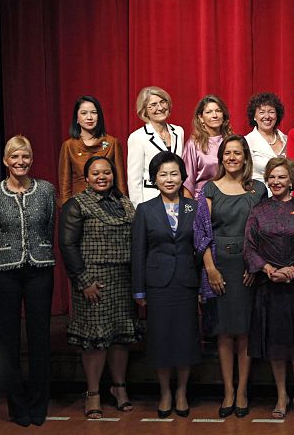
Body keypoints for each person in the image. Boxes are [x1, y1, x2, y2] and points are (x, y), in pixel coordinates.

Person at [0, 136, 56, 427]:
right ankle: (17, 406)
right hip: (4, 272)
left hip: (40, 269)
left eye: (25, 157)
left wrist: (41, 251)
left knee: (40, 338)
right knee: (8, 340)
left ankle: (38, 404)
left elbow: (49, 225)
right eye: (14, 157)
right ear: (5, 161)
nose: (20, 162)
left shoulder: (46, 189)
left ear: (31, 159)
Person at [59, 156, 138, 419]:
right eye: (95, 173)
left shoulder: (125, 204)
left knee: (121, 336)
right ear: (87, 176)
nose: (102, 177)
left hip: (123, 280)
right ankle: (92, 393)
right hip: (94, 283)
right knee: (95, 340)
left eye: (106, 172)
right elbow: (67, 246)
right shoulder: (77, 204)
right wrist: (83, 282)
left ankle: (119, 388)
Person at [194, 135, 267, 418]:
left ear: (246, 157)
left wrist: (254, 265)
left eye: (238, 153)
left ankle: (243, 391)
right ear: (221, 157)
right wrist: (210, 269)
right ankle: (227, 390)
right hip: (219, 267)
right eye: (228, 153)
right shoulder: (209, 189)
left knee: (244, 332)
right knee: (224, 332)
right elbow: (202, 233)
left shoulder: (258, 190)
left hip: (248, 268)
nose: (233, 158)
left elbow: (262, 232)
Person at [244, 157, 294, 419]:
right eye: (272, 177)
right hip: (269, 284)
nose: (276, 182)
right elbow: (249, 247)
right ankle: (281, 395)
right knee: (276, 343)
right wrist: (268, 270)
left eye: (282, 177)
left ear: (291, 181)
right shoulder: (258, 210)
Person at [131, 152, 200, 418]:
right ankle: (164, 392)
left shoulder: (194, 208)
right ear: (154, 179)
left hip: (186, 282)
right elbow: (138, 251)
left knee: (184, 339)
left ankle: (181, 391)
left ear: (183, 176)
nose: (169, 179)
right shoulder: (145, 210)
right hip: (157, 283)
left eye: (174, 173)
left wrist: (202, 286)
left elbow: (201, 247)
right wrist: (139, 290)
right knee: (160, 340)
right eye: (163, 174)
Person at [58, 95, 126, 206]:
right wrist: (67, 210)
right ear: (76, 118)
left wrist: (123, 206)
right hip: (79, 206)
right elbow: (65, 186)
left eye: (94, 113)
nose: (89, 117)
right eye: (84, 113)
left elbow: (120, 182)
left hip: (108, 205)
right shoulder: (68, 146)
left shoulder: (112, 143)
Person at [127, 86, 184, 207]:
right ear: (144, 111)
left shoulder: (179, 132)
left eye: (163, 102)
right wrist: (138, 209)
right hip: (150, 199)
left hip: (177, 198)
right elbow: (134, 180)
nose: (160, 108)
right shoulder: (137, 137)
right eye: (153, 104)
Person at [182, 95, 232, 199]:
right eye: (209, 112)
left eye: (218, 111)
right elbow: (187, 182)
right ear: (201, 117)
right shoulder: (194, 144)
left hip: (229, 200)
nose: (215, 115)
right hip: (201, 201)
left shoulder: (231, 141)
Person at [245, 92, 288, 184]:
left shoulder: (286, 140)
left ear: (277, 115)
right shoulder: (247, 141)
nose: (267, 116)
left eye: (271, 112)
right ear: (254, 117)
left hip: (286, 194)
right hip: (258, 195)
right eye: (261, 112)